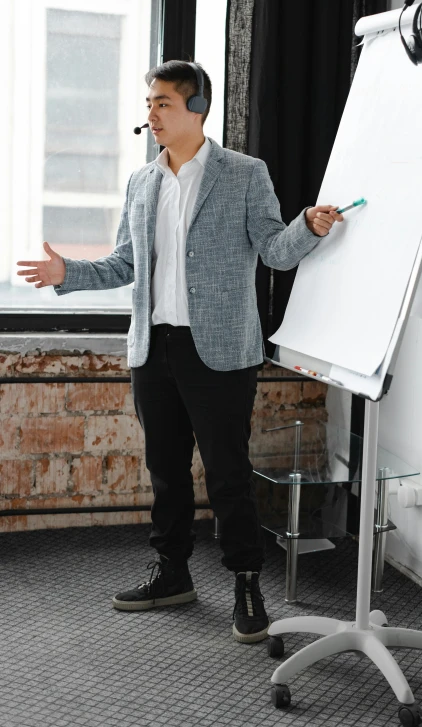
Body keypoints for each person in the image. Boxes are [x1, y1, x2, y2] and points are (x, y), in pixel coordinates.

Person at [17, 60, 344, 644]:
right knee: (165, 473)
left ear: (198, 109)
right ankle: (171, 573)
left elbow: (273, 250)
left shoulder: (244, 174)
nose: (151, 114)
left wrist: (309, 228)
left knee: (226, 477)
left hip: (219, 352)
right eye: (149, 103)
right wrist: (68, 272)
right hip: (153, 349)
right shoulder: (143, 182)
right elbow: (124, 263)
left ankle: (246, 581)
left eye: (163, 103)